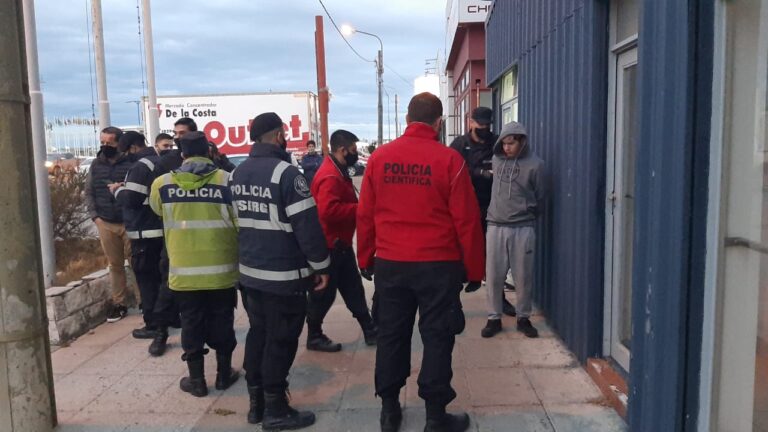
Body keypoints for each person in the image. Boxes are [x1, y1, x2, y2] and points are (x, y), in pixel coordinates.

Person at [357, 93, 484, 432]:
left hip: (391, 264)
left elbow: (365, 215)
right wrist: (474, 269)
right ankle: (435, 417)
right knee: (438, 337)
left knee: (391, 335)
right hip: (438, 266)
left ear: (406, 120)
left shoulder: (380, 159)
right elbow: (467, 220)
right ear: (438, 123)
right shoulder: (450, 160)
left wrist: (365, 257)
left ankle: (389, 411)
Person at [230, 112, 330, 430]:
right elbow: (307, 226)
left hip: (250, 274)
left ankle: (256, 403)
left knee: (258, 334)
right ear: (278, 136)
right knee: (281, 340)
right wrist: (321, 265)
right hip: (283, 276)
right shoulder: (287, 174)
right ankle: (275, 409)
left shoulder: (236, 173)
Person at [149, 131, 240, 398]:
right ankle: (223, 374)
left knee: (190, 323)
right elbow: (239, 221)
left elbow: (156, 210)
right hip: (222, 271)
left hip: (183, 273)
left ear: (182, 155)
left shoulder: (162, 184)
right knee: (223, 320)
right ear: (209, 152)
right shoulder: (227, 181)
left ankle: (197, 381)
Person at [305, 130, 377, 352]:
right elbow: (328, 211)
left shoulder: (337, 171)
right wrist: (360, 208)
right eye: (353, 150)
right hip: (330, 245)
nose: (356, 154)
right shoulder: (330, 176)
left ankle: (369, 329)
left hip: (339, 244)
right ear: (342, 150)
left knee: (352, 288)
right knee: (323, 294)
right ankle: (314, 335)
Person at [482, 121, 547, 339]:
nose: (507, 147)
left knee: (523, 275)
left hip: (523, 227)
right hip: (496, 225)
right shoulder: (496, 160)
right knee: (494, 276)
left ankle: (523, 318)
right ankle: (493, 318)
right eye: (504, 143)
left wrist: (528, 212)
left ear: (522, 142)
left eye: (511, 143)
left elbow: (541, 195)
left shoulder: (536, 165)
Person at [113, 131, 175, 356]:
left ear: (132, 148)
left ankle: (152, 325)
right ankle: (170, 318)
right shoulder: (161, 162)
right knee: (163, 280)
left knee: (147, 282)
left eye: (124, 151)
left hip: (144, 233)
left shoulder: (140, 167)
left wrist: (118, 190)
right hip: (163, 231)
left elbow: (132, 199)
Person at [85, 126, 137, 323]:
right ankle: (119, 303)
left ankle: (144, 302)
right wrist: (95, 217)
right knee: (115, 265)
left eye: (110, 142)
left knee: (136, 263)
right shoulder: (96, 164)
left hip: (128, 221)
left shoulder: (131, 163)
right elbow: (89, 191)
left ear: (119, 143)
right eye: (103, 142)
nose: (105, 146)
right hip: (105, 221)